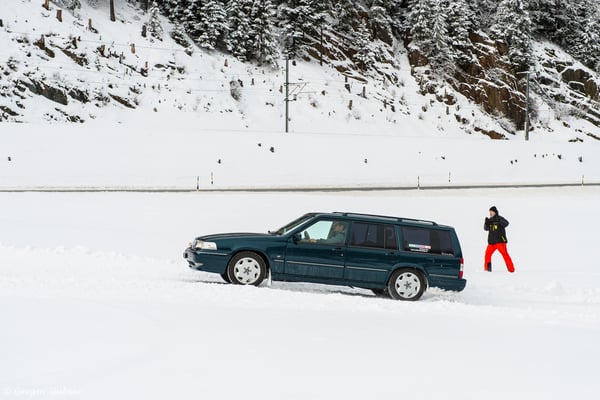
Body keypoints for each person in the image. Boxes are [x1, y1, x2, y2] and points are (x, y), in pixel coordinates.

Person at [483, 206, 515, 273]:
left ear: (495, 212)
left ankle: (511, 270)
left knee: (505, 255)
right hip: (491, 242)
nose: (490, 213)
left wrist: (499, 221)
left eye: (491, 211)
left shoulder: (500, 218)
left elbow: (506, 223)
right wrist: (486, 223)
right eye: (490, 212)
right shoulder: (490, 220)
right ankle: (487, 270)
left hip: (500, 242)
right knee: (487, 255)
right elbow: (485, 229)